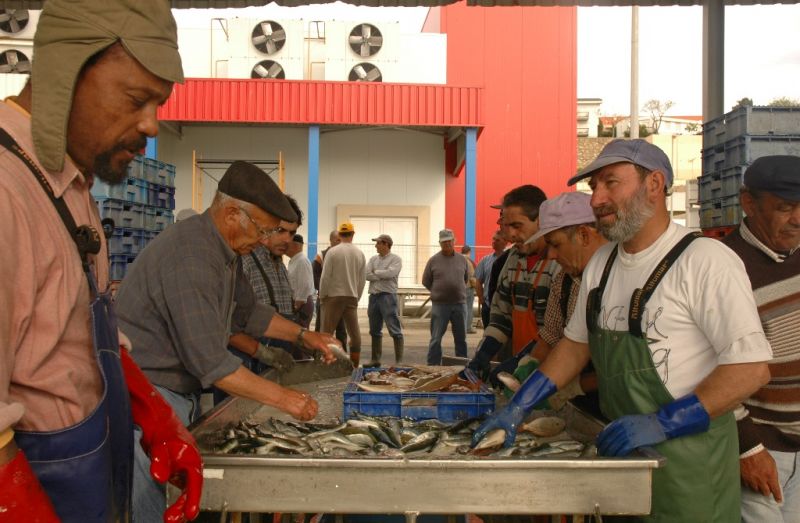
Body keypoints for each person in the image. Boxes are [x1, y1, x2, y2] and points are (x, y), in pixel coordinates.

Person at [473, 139, 773, 521]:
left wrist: (663, 422)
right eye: (593, 186)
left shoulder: (705, 261)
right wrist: (520, 404)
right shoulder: (602, 264)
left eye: (610, 183)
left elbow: (749, 369)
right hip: (623, 459)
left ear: (654, 184)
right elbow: (574, 346)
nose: (597, 199)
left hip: (690, 468)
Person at [0, 1, 203, 522]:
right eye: (137, 99)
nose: (153, 125)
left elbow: (75, 338)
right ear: (65, 71)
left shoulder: (71, 188)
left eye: (158, 103)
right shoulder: (7, 192)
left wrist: (153, 414)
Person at [116, 161, 339, 521]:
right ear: (233, 213)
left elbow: (248, 314)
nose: (266, 241)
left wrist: (303, 335)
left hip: (173, 397)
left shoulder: (226, 252)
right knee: (152, 504)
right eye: (263, 230)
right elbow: (211, 363)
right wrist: (286, 399)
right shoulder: (192, 256)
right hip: (146, 400)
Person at [721, 156, 800, 522]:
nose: (798, 219)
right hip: (764, 452)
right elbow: (708, 369)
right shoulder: (724, 266)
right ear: (749, 203)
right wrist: (747, 448)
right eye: (785, 208)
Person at [491, 192, 607, 409]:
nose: (551, 255)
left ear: (583, 235)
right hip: (578, 403)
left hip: (615, 405)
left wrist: (571, 387)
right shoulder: (565, 280)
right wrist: (528, 364)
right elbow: (551, 337)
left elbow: (623, 369)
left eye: (556, 244)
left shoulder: (618, 281)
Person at [464, 185, 560, 378]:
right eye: (506, 226)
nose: (510, 235)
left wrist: (520, 362)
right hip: (522, 364)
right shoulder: (512, 259)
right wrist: (484, 353)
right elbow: (501, 315)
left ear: (541, 221)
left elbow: (558, 332)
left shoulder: (560, 262)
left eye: (517, 226)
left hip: (554, 371)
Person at [235, 195, 302, 363]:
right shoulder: (243, 261)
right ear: (264, 226)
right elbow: (228, 325)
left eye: (292, 233)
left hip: (277, 357)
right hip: (246, 360)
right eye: (280, 230)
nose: (287, 239)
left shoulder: (279, 265)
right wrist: (262, 353)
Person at [320, 222, 366, 366]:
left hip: (333, 296)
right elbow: (362, 279)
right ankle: (354, 365)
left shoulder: (333, 252)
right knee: (354, 334)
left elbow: (325, 276)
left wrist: (322, 295)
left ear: (339, 235)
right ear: (353, 234)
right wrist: (356, 296)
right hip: (351, 296)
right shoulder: (359, 253)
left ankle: (326, 363)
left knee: (326, 333)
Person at [423, 229, 471, 365]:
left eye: (450, 241)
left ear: (454, 241)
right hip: (440, 306)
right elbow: (426, 281)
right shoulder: (433, 260)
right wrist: (438, 292)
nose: (447, 244)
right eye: (444, 242)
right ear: (440, 243)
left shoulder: (462, 260)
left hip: (459, 305)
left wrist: (455, 288)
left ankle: (462, 367)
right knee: (436, 339)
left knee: (461, 338)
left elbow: (465, 278)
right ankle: (433, 366)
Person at [365, 234, 404, 367]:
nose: (376, 246)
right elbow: (366, 274)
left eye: (378, 243)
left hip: (388, 296)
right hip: (374, 297)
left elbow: (391, 273)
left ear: (386, 244)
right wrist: (381, 274)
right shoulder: (373, 259)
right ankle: (375, 359)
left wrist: (376, 272)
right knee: (374, 329)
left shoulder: (396, 259)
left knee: (394, 328)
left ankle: (399, 361)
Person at [313, 230, 347, 350]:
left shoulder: (345, 255)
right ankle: (319, 355)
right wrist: (323, 292)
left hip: (341, 299)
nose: (340, 242)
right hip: (324, 299)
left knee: (341, 330)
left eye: (341, 239)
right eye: (337, 239)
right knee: (321, 329)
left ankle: (343, 358)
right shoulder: (321, 255)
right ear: (331, 240)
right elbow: (315, 275)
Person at [474, 230, 508, 330]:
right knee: (487, 332)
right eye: (493, 239)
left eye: (497, 240)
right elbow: (478, 281)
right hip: (488, 305)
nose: (494, 242)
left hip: (504, 306)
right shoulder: (485, 260)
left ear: (505, 242)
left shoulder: (510, 259)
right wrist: (481, 300)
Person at [287, 234, 316, 329]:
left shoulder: (302, 261)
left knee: (299, 336)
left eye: (287, 245)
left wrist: (296, 306)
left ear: (295, 246)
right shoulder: (294, 261)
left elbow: (305, 285)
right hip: (299, 304)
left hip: (302, 305)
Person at [461, 245, 478, 333]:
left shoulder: (457, 260)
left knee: (460, 308)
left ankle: (460, 327)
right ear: (469, 252)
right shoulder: (469, 262)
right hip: (468, 288)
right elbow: (472, 277)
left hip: (459, 288)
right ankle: (468, 328)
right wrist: (477, 287)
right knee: (468, 308)